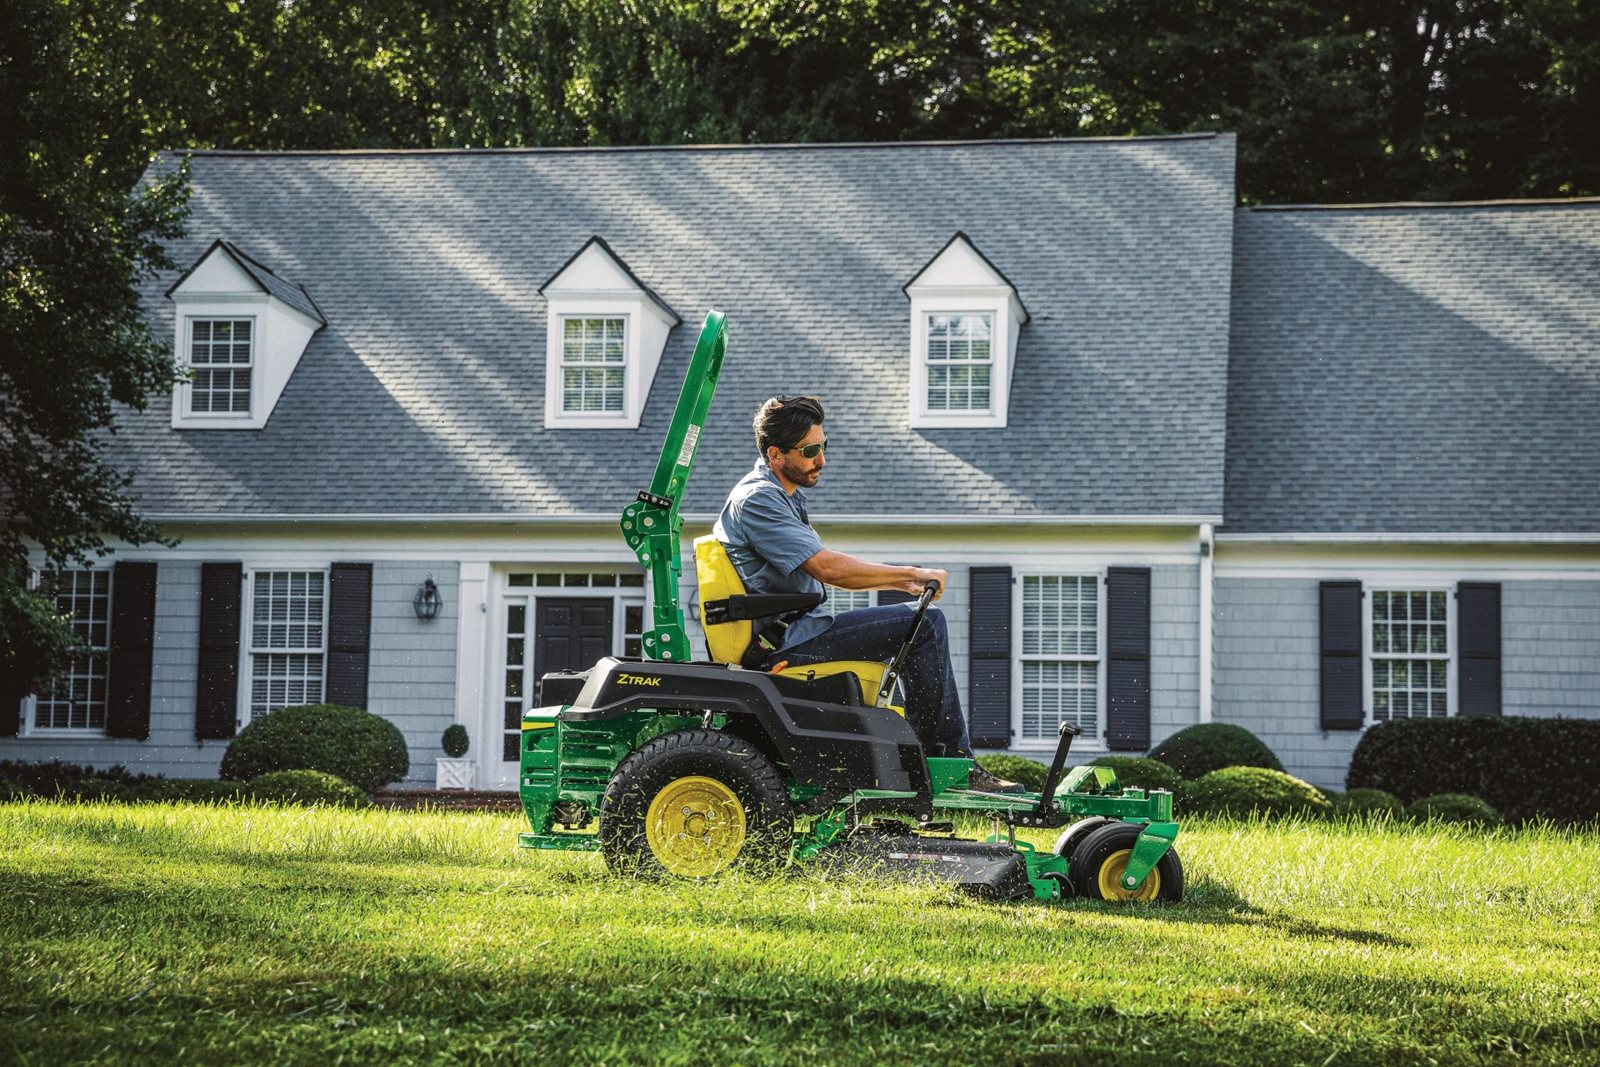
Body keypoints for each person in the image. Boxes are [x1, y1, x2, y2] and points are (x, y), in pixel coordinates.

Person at [712, 394, 1021, 793]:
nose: (821, 459)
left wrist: (903, 582)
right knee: (924, 623)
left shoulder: (781, 494)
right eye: (810, 451)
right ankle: (949, 765)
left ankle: (914, 765)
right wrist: (910, 575)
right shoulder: (759, 500)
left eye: (823, 446)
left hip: (799, 630)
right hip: (785, 645)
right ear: (775, 454)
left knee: (918, 625)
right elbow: (827, 568)